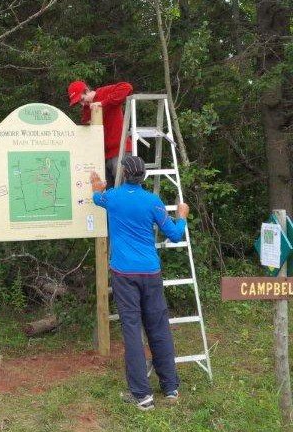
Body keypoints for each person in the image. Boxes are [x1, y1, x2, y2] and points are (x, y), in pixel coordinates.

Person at [90, 155, 189, 411]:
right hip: (151, 273)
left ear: (123, 173)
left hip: (124, 274)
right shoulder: (153, 202)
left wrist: (96, 185)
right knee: (159, 327)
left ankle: (142, 396)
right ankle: (170, 387)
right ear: (143, 176)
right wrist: (182, 215)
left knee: (132, 332)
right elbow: (177, 235)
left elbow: (96, 198)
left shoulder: (112, 197)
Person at [68, 80, 133, 188]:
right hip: (101, 156)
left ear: (87, 91)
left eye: (82, 99)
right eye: (79, 102)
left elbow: (127, 87)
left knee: (125, 190)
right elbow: (87, 128)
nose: (83, 104)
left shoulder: (104, 92)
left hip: (120, 151)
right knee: (107, 193)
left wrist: (102, 103)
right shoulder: (86, 109)